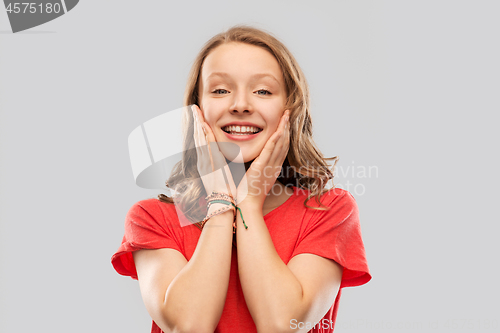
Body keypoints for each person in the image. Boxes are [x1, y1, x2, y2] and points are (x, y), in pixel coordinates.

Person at [111, 25, 371, 333]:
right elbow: (190, 327)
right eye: (220, 90)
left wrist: (248, 202)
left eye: (263, 91)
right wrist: (222, 205)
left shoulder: (328, 210)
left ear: (290, 108)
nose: (240, 105)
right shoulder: (153, 219)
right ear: (197, 110)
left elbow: (281, 325)